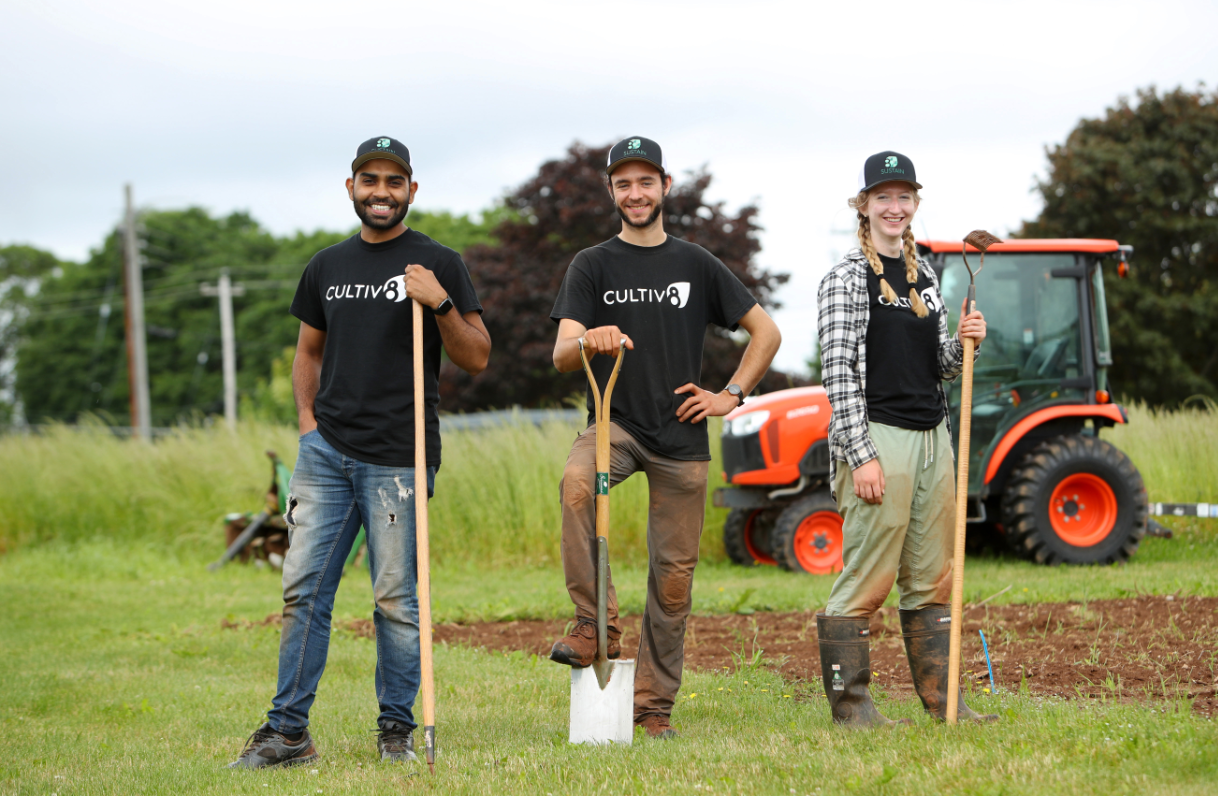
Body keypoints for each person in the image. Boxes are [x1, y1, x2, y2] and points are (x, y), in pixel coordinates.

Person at [229, 136, 491, 768]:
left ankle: (396, 731)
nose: (381, 191)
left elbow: (476, 356)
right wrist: (308, 427)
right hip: (326, 455)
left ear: (411, 190)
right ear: (350, 187)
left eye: (393, 181)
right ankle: (287, 733)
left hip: (400, 455)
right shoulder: (327, 266)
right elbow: (308, 353)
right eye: (369, 180)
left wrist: (441, 302)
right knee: (303, 593)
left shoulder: (438, 263)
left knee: (396, 600)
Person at [548, 136, 782, 739]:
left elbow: (766, 333)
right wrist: (588, 340)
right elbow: (560, 354)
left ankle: (652, 708)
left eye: (645, 182)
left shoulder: (696, 264)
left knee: (673, 580)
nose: (635, 193)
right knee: (578, 483)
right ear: (612, 192)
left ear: (664, 187)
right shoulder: (592, 264)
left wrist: (729, 396)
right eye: (623, 183)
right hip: (615, 422)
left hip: (681, 435)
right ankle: (591, 622)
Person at [815, 150, 996, 727]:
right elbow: (837, 370)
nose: (894, 207)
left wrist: (967, 338)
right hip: (877, 436)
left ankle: (946, 705)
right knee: (867, 575)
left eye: (904, 197)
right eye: (883, 197)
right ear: (863, 206)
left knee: (932, 575)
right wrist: (862, 455)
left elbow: (940, 365)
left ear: (915, 205)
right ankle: (852, 709)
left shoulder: (926, 275)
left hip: (931, 437)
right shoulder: (845, 278)